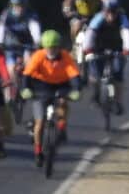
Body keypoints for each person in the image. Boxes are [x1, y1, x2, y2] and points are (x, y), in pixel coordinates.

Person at [19, 30, 85, 165]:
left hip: (61, 84)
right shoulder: (38, 56)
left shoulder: (65, 57)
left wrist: (76, 90)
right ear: (44, 47)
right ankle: (38, 151)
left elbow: (74, 75)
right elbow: (27, 74)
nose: (52, 50)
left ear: (59, 47)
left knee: (63, 102)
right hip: (41, 85)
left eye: (55, 47)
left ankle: (61, 126)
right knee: (40, 122)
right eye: (49, 48)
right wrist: (25, 89)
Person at [77, 0, 129, 113]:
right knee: (95, 74)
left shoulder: (123, 19)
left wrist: (127, 50)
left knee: (118, 74)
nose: (111, 16)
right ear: (104, 12)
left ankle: (118, 101)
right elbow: (90, 35)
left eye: (114, 12)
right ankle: (95, 95)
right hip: (98, 48)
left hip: (117, 49)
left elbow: (127, 35)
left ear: (118, 12)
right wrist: (88, 50)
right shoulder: (98, 19)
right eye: (108, 12)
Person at [0, 0, 43, 64]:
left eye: (22, 5)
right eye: (16, 5)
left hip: (27, 44)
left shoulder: (31, 14)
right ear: (12, 5)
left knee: (29, 62)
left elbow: (35, 28)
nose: (19, 8)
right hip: (10, 45)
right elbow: (1, 28)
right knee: (11, 66)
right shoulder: (6, 14)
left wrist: (37, 41)